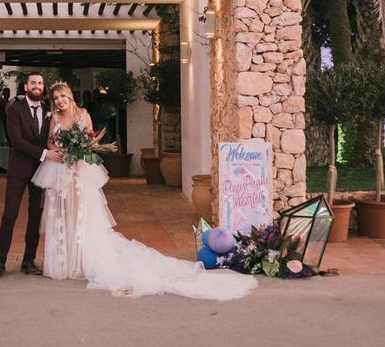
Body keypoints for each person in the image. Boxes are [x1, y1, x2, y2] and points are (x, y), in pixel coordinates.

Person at [32, 82, 256, 299]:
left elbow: (90, 140)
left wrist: (77, 151)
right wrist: (58, 151)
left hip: (79, 171)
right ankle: (64, 259)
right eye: (56, 99)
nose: (60, 101)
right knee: (63, 214)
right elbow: (50, 142)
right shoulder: (55, 118)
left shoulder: (83, 114)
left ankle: (81, 260)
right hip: (60, 169)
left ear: (70, 95)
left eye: (63, 96)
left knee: (81, 213)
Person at [0, 72, 64, 280]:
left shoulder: (50, 111)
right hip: (18, 170)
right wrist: (45, 153)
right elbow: (18, 142)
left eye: (40, 83)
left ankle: (28, 261)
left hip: (41, 171)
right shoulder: (14, 110)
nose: (37, 86)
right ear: (25, 87)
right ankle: (0, 263)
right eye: (33, 83)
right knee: (10, 215)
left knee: (35, 215)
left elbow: (53, 137)